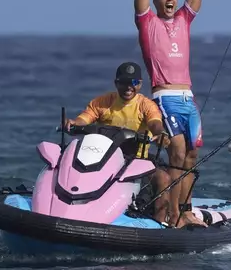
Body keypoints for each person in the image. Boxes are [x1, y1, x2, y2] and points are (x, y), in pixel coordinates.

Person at [133, 0, 207, 228]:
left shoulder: (184, 20)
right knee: (175, 151)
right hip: (165, 98)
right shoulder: (147, 23)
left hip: (188, 99)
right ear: (155, 0)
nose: (170, 0)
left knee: (191, 154)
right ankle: (173, 215)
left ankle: (186, 209)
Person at [63, 61, 172, 224]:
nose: (129, 87)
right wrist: (73, 123)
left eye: (134, 83)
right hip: (103, 160)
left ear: (140, 84)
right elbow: (84, 119)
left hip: (137, 162)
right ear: (116, 83)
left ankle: (160, 224)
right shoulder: (102, 102)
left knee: (163, 178)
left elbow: (155, 123)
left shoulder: (146, 106)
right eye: (124, 82)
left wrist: (160, 133)